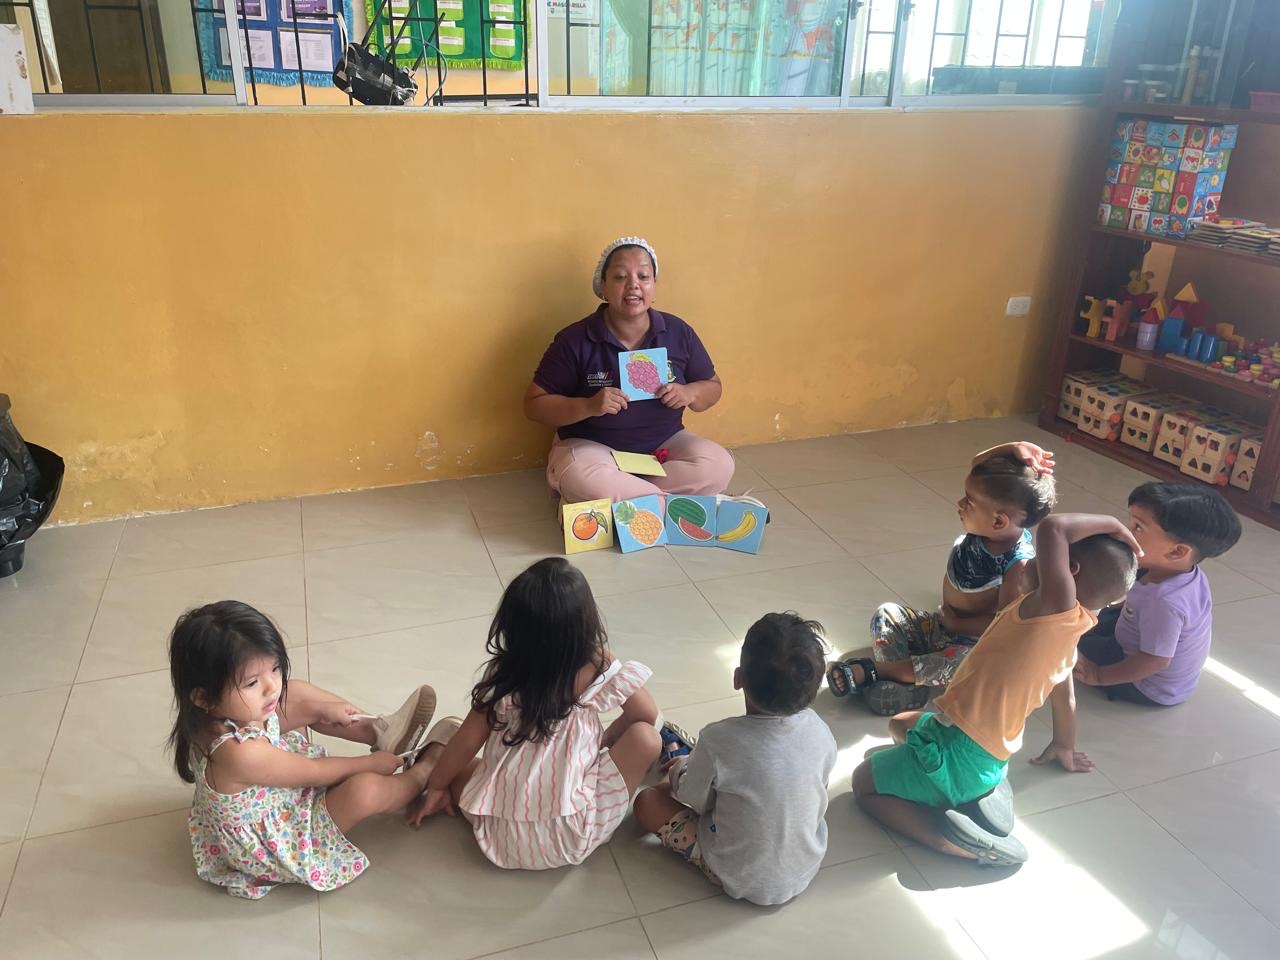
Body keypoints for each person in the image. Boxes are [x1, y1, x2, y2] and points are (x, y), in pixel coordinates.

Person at [851, 513, 1140, 866]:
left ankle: (950, 841)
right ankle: (968, 789)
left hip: (961, 751)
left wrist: (1115, 525)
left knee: (863, 783)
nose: (1028, 562)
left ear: (1068, 571)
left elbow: (1054, 528)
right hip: (983, 752)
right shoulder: (1068, 634)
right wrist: (1063, 745)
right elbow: (1065, 698)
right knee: (899, 724)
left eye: (1040, 559)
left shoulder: (1053, 610)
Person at [168, 600, 449, 899]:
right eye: (251, 683)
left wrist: (323, 709)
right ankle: (424, 772)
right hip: (282, 838)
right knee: (364, 790)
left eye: (275, 668)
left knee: (297, 693)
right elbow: (315, 772)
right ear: (203, 698)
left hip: (274, 785)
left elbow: (286, 705)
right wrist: (370, 764)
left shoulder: (210, 715)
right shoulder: (238, 753)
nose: (272, 686)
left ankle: (380, 731)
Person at [407, 557, 663, 870]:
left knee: (454, 743)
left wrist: (437, 786)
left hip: (497, 834)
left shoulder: (503, 677)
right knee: (647, 738)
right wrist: (607, 741)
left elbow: (466, 742)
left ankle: (423, 765)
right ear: (587, 621)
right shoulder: (598, 666)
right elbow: (647, 714)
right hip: (575, 836)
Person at [828, 441, 1057, 716]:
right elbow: (977, 462)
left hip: (971, 644)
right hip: (941, 627)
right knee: (886, 613)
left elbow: (1002, 625)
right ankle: (904, 682)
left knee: (964, 662)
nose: (960, 504)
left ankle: (878, 672)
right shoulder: (987, 529)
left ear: (998, 521)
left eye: (969, 502)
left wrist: (959, 624)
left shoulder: (1018, 564)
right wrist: (1013, 447)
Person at [632, 612, 837, 905]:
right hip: (804, 867)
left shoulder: (719, 739)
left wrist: (677, 773)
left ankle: (683, 762)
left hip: (735, 873)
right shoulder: (821, 732)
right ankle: (693, 766)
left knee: (648, 801)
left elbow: (695, 800)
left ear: (738, 678)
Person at [524, 236, 735, 505]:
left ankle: (629, 499)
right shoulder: (574, 339)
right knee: (581, 474)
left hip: (663, 448)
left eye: (644, 276)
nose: (634, 284)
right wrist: (588, 405)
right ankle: (673, 504)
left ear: (653, 285)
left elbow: (713, 387)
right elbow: (534, 405)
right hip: (594, 450)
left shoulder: (678, 332)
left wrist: (690, 392)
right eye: (620, 276)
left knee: (719, 465)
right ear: (603, 286)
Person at [1074, 482, 1241, 706]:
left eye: (1138, 527)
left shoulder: (1165, 603)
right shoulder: (1182, 573)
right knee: (1096, 619)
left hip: (1148, 685)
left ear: (1177, 551)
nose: (1126, 532)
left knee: (1073, 644)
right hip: (1138, 634)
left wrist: (1098, 675)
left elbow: (1155, 661)